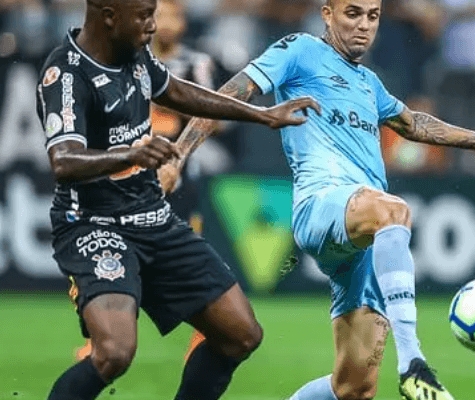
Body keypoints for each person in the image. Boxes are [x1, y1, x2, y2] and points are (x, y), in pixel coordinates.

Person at [160, 0, 475, 399]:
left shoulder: (369, 82)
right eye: (353, 13)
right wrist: (179, 154)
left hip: (362, 236)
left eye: (373, 16)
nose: (364, 26)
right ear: (327, 13)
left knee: (353, 388)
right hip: (322, 204)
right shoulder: (299, 50)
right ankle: (413, 363)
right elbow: (229, 95)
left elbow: (413, 123)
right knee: (394, 211)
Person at [35, 0, 320, 397]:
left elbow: (178, 92)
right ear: (108, 16)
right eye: (144, 15)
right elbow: (63, 160)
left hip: (153, 216)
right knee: (114, 353)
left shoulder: (135, 55)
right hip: (94, 224)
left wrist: (262, 115)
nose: (153, 25)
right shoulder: (65, 73)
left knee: (240, 334)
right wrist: (130, 153)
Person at [72, 0, 214, 363]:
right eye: (158, 15)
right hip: (126, 177)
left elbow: (213, 118)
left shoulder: (195, 64)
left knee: (189, 260)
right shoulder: (126, 60)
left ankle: (207, 332)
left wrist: (176, 132)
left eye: (172, 15)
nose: (164, 23)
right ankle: (101, 336)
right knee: (112, 254)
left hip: (178, 179)